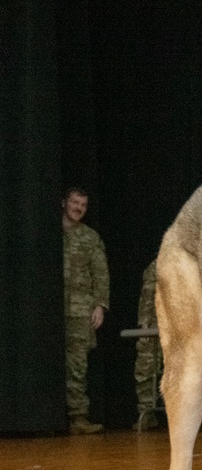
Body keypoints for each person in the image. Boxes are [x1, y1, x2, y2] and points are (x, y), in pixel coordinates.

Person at [62, 186, 110, 435]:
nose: (78, 208)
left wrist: (100, 305)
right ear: (64, 203)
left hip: (80, 310)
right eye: (74, 203)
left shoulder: (90, 238)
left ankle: (78, 417)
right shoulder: (50, 233)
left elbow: (100, 274)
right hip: (50, 310)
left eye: (83, 205)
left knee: (77, 364)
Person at [133, 260, 161, 431]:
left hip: (190, 325)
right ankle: (147, 413)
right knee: (145, 365)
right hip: (157, 323)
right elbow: (147, 295)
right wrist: (144, 324)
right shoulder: (156, 266)